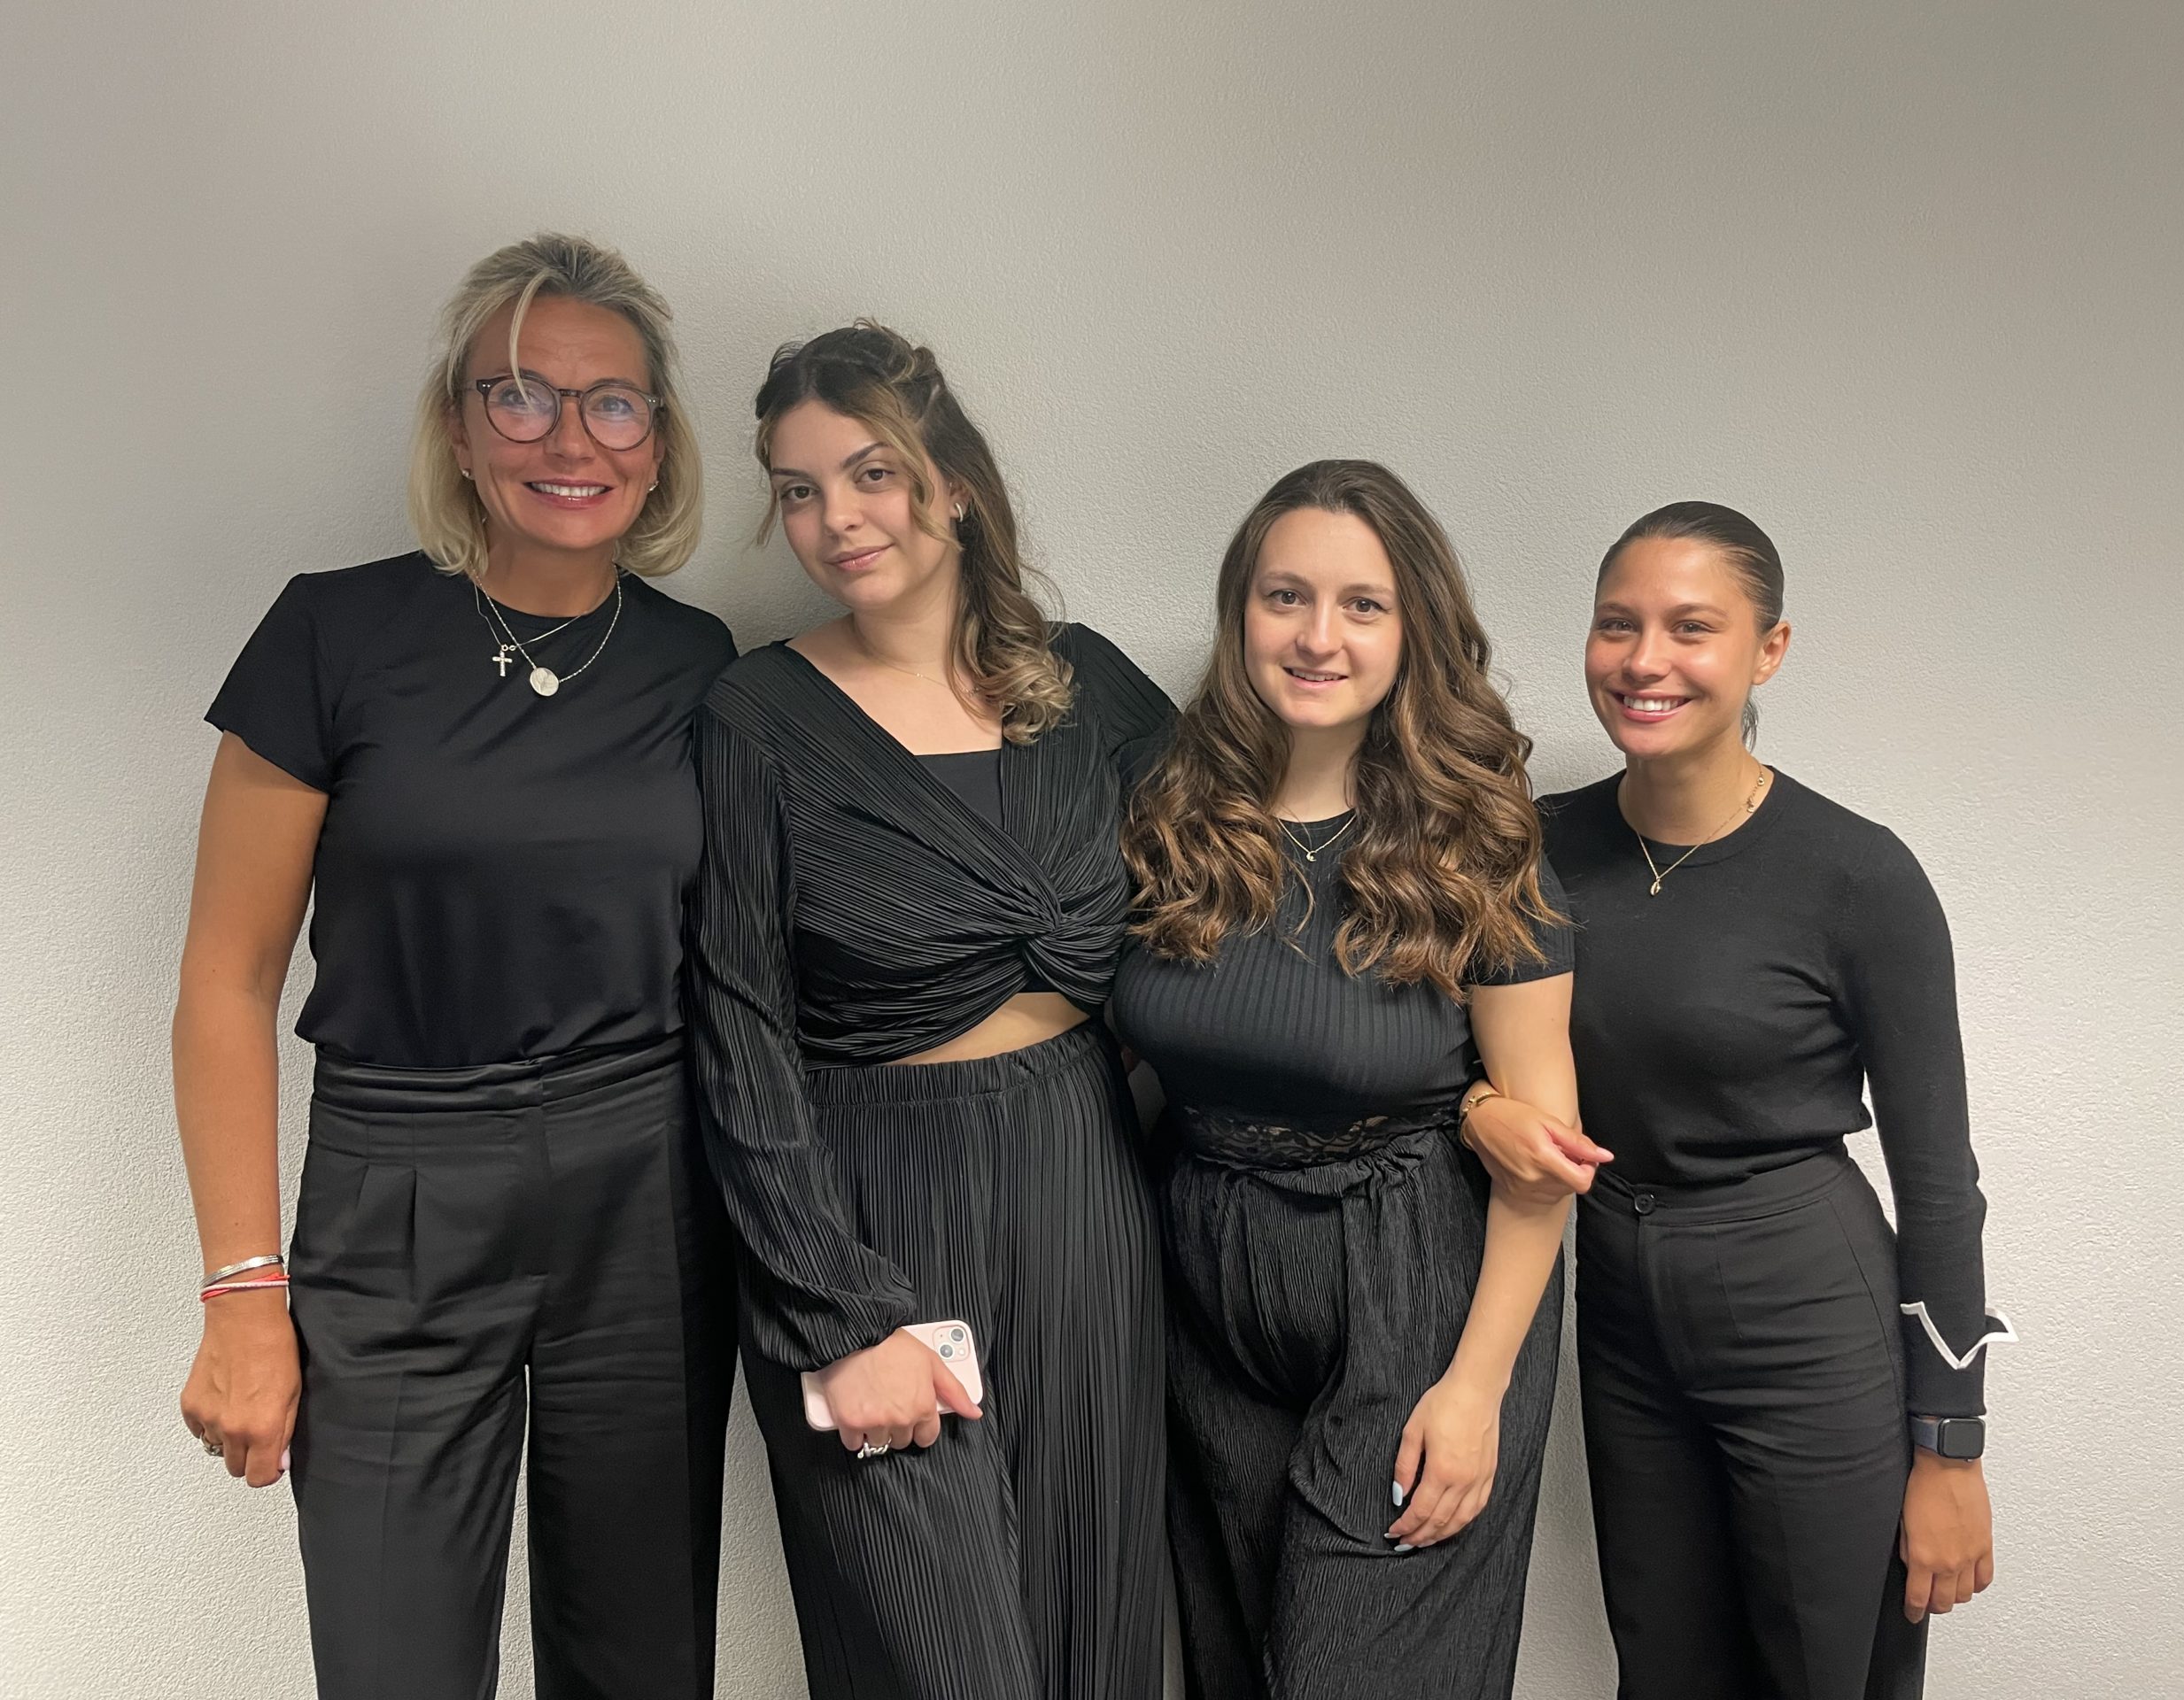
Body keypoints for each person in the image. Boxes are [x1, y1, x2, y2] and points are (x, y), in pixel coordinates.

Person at [173, 233, 739, 1699]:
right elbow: (226, 980)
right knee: (394, 1663)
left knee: (641, 1664)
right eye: (520, 395)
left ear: (658, 443)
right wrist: (242, 1295)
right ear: (457, 426)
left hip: (649, 1194)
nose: (569, 439)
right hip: (399, 1192)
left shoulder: (702, 666)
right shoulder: (333, 634)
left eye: (611, 403)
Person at [687, 321, 1172, 1700]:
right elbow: (739, 1037)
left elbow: (1241, 888)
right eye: (797, 490)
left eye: (871, 473)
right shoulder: (755, 717)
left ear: (952, 482)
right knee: (934, 1660)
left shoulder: (1088, 687)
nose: (836, 519)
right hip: (868, 1212)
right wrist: (840, 1312)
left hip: (1084, 1192)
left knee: (1092, 1636)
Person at [1114, 460, 1594, 1699]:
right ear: (1241, 611)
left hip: (1414, 1288)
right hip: (1202, 1282)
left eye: (1362, 605)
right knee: (1240, 1664)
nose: (1317, 637)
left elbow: (1546, 1158)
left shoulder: (1479, 837)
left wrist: (1477, 1393)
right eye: (1286, 597)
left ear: (1412, 628)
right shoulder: (1167, 809)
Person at [1526, 500, 2012, 1700]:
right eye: (1617, 625)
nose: (1645, 659)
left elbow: (1940, 1183)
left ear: (1769, 650)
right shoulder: (1536, 847)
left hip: (1804, 1310)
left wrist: (1951, 1446)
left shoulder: (1857, 874)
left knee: (1824, 1670)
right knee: (1665, 1668)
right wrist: (1489, 1108)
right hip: (1621, 1307)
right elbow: (1468, 1047)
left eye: (1692, 627)